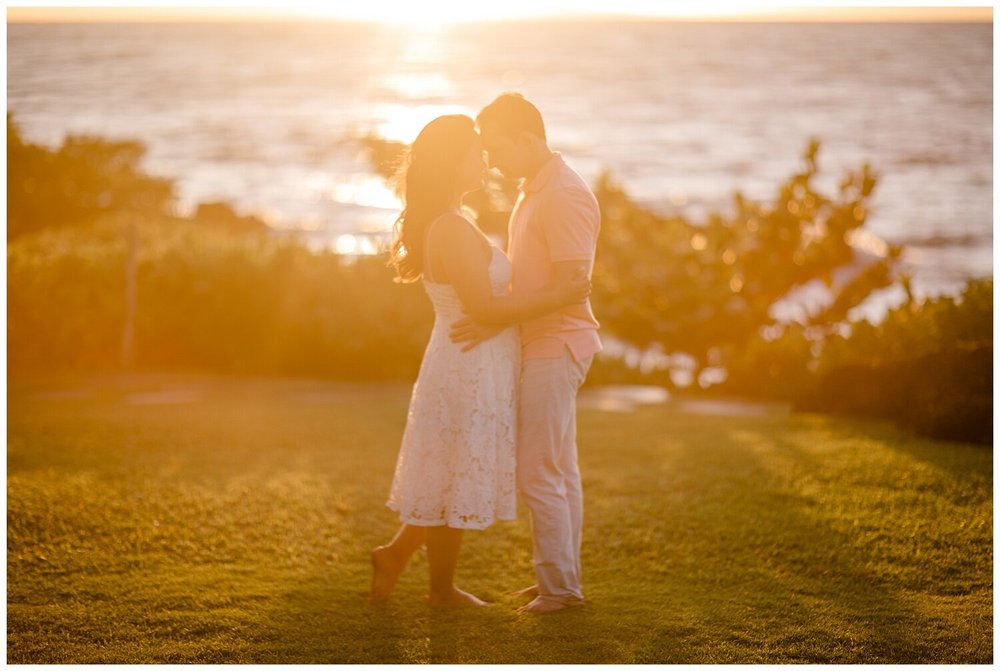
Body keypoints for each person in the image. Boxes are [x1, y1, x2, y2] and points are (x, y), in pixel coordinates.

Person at [370, 114, 590, 607]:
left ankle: (413, 568)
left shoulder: (454, 221)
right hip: (464, 365)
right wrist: (562, 294)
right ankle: (431, 582)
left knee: (452, 472)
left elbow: (488, 306)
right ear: (453, 164)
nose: (484, 159)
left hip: (471, 359)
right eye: (475, 151)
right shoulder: (449, 228)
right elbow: (484, 308)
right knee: (452, 472)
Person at [450, 93, 602, 614]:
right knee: (559, 471)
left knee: (539, 471)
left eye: (497, 149)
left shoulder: (562, 195)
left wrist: (494, 315)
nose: (492, 162)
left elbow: (572, 285)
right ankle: (559, 581)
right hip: (545, 341)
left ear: (529, 139)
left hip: (555, 344)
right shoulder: (534, 190)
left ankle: (560, 590)